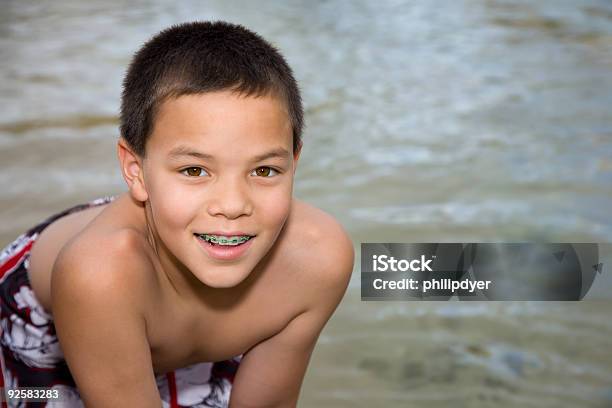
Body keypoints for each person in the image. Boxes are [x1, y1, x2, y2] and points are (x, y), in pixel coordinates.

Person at [0, 21, 354, 408]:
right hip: (47, 334)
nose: (233, 205)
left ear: (294, 162)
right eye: (195, 171)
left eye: (264, 171)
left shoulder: (318, 259)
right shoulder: (100, 275)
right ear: (136, 172)